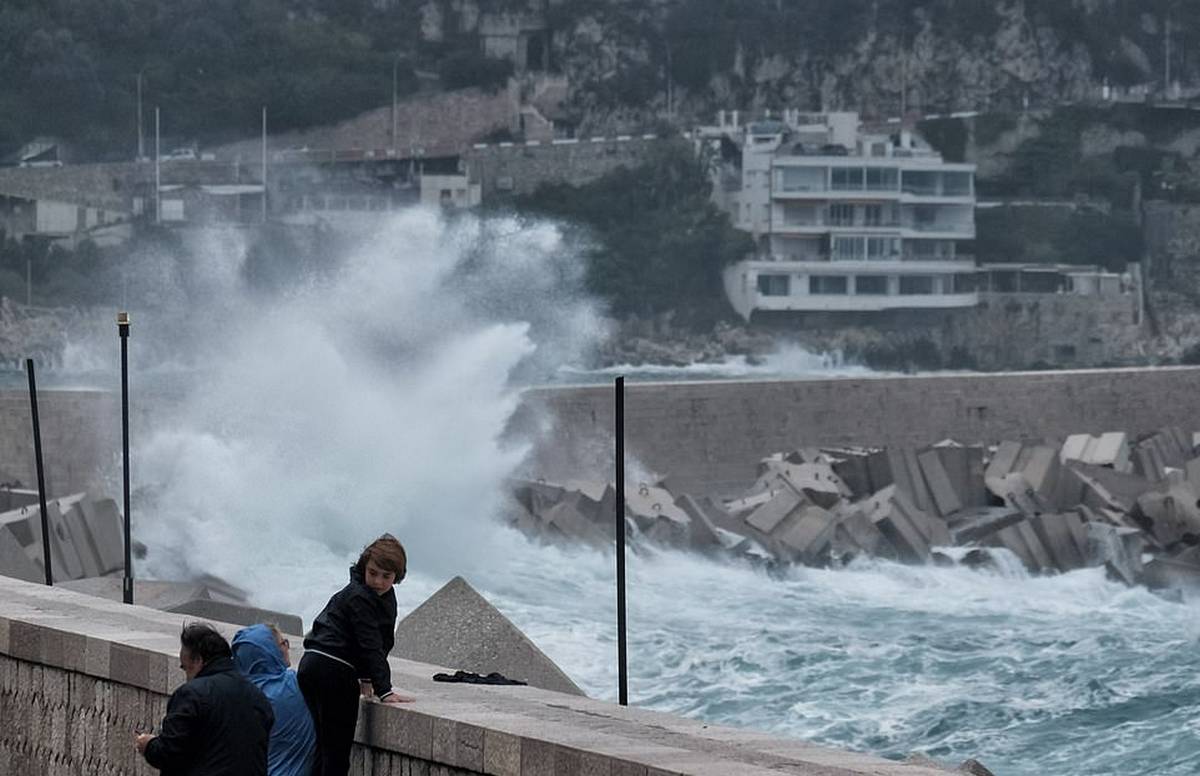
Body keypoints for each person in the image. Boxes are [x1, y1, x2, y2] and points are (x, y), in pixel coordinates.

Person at [297, 534, 414, 776]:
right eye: (373, 573)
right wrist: (385, 689)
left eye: (386, 576)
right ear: (364, 567)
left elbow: (373, 642)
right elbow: (371, 643)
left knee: (323, 747)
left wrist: (366, 678)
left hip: (311, 664)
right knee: (336, 755)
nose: (378, 582)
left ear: (397, 577)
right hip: (333, 670)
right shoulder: (361, 596)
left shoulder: (360, 593)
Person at [135, 622, 275, 776]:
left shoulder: (191, 694)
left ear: (198, 661)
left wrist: (148, 745)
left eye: (185, 668)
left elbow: (169, 752)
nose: (187, 678)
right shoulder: (257, 695)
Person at [233, 623, 316, 776]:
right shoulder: (296, 685)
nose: (287, 647)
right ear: (271, 651)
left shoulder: (236, 694)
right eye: (283, 643)